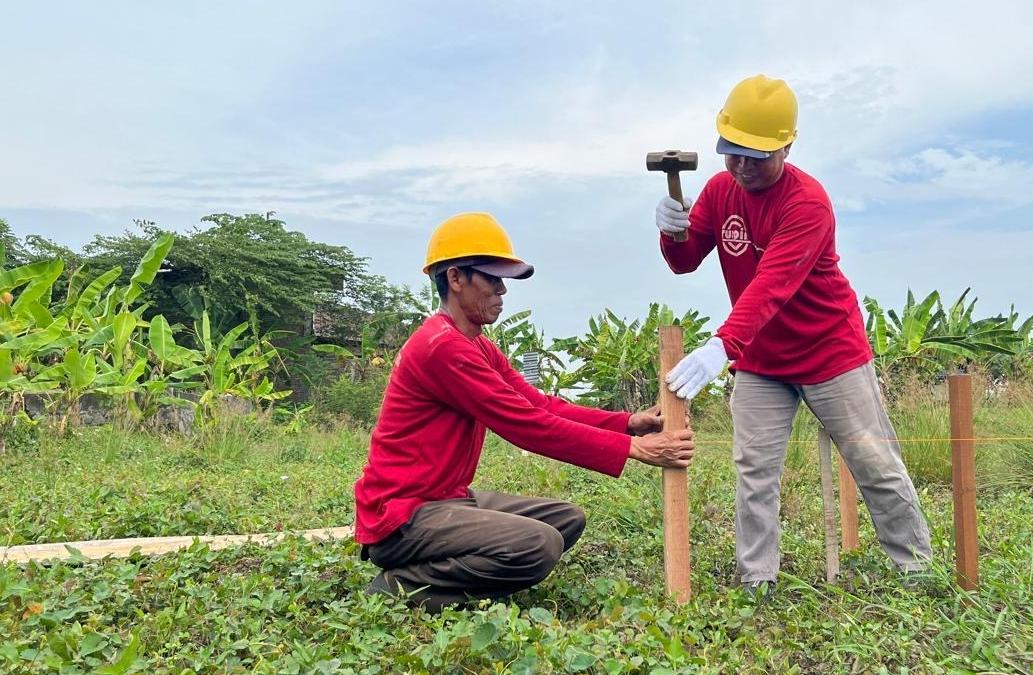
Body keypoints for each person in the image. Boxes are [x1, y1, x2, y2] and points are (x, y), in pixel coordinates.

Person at [654, 75, 932, 592]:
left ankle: (915, 569)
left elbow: (772, 285)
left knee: (874, 462)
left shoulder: (807, 203)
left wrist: (720, 347)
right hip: (762, 361)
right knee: (754, 472)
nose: (741, 166)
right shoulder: (721, 190)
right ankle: (756, 580)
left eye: (754, 156)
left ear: (786, 144)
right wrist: (672, 232)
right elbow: (685, 262)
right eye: (731, 152)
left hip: (831, 354)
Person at [356, 211, 695, 611]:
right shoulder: (441, 347)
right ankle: (401, 587)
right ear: (455, 278)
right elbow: (527, 426)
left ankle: (451, 569)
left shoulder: (476, 344)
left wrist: (627, 424)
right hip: (404, 515)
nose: (502, 290)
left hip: (446, 499)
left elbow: (538, 404)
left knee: (566, 519)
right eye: (492, 278)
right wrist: (637, 450)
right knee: (540, 544)